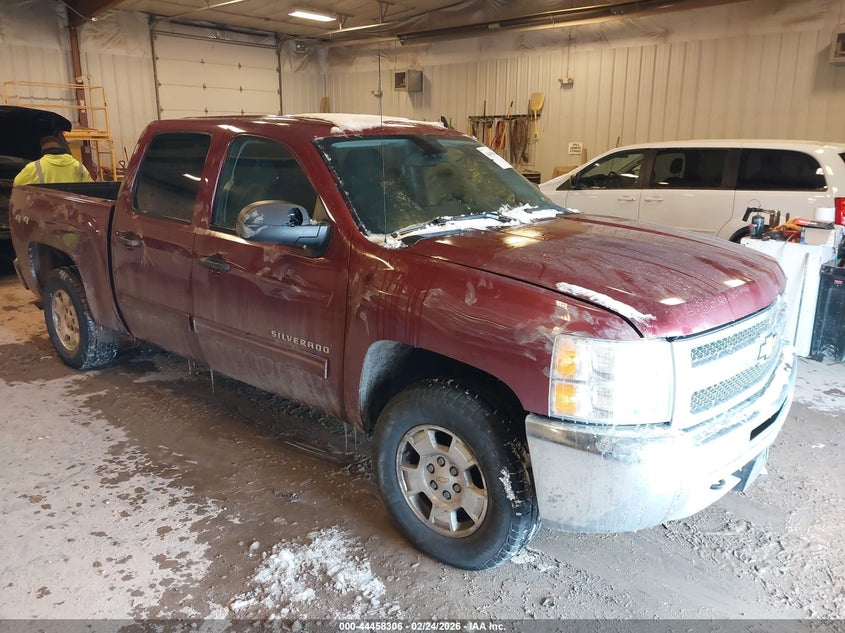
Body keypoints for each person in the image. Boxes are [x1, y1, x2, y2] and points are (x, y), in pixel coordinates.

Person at [13, 136, 93, 186]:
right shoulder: (78, 165)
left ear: (42, 150)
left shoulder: (34, 167)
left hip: (47, 209)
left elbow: (17, 184)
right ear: (60, 147)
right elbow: (91, 187)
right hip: (73, 209)